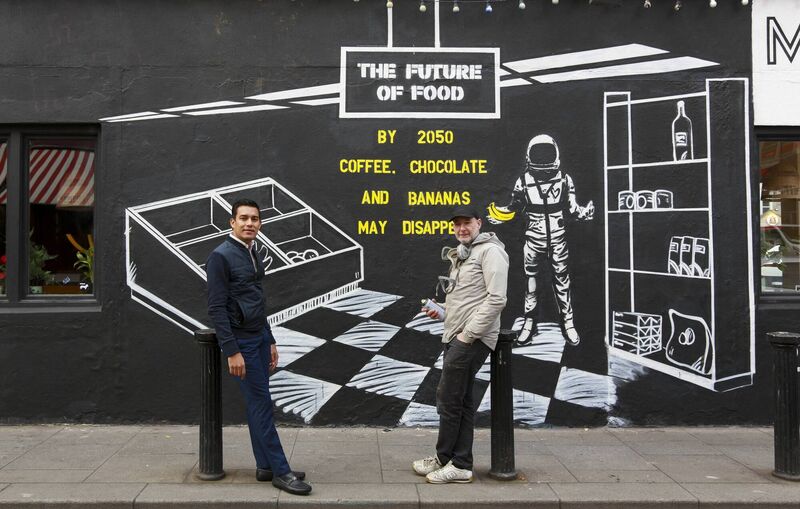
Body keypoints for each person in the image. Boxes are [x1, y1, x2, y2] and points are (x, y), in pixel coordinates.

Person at [206, 199, 311, 496]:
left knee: (257, 405)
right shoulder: (221, 256)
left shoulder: (252, 252)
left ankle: (265, 466)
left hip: (260, 339)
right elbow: (216, 308)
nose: (249, 223)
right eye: (243, 218)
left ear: (260, 224)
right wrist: (232, 350)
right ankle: (281, 471)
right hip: (243, 344)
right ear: (232, 222)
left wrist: (271, 338)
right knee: (262, 405)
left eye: (254, 219)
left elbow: (256, 300)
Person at [413, 206, 509, 484]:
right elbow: (466, 300)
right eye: (457, 225)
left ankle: (459, 463)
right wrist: (441, 311)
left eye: (467, 223)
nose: (461, 228)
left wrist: (468, 335)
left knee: (448, 398)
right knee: (462, 400)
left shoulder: (491, 252)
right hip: (456, 333)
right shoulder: (464, 255)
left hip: (471, 338)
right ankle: (450, 460)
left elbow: (496, 299)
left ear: (479, 223)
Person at [487, 134, 594, 346]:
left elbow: (572, 208)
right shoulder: (524, 181)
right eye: (539, 154)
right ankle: (529, 322)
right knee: (531, 283)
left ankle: (568, 322)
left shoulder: (564, 179)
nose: (543, 160)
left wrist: (585, 212)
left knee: (562, 283)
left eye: (547, 154)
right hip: (533, 238)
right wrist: (499, 215)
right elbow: (514, 207)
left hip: (558, 237)